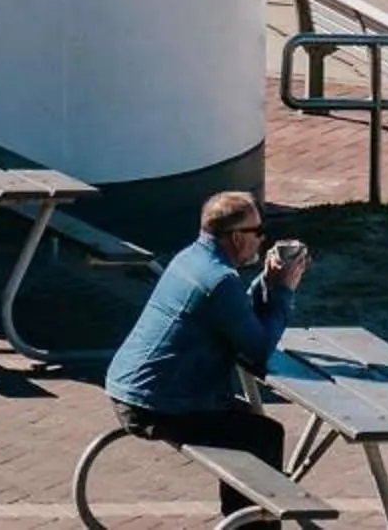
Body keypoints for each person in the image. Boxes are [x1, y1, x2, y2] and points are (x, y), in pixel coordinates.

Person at [103, 192, 309, 515]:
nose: (262, 239)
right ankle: (249, 522)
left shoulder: (193, 259)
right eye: (257, 232)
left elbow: (235, 317)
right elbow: (258, 350)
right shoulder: (218, 281)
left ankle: (244, 518)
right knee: (262, 435)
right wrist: (283, 291)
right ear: (237, 237)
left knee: (247, 423)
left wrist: (265, 282)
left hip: (130, 389)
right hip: (157, 405)